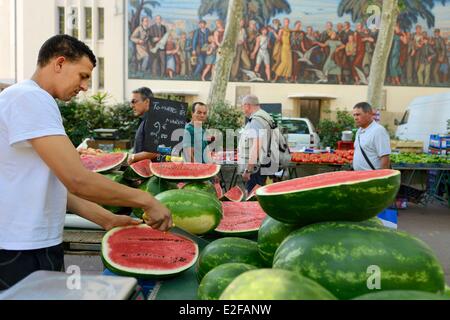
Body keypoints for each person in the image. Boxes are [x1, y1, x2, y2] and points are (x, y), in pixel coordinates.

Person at [0, 35, 172, 290]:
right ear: (59, 63)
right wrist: (146, 200)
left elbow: (56, 187)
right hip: (20, 248)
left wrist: (106, 219)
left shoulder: (27, 99)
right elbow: (77, 179)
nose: (85, 86)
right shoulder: (30, 98)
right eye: (82, 76)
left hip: (31, 243)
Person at [238, 95, 277, 193]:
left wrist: (248, 170)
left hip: (256, 169)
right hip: (265, 164)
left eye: (242, 107)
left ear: (247, 106)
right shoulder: (266, 117)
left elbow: (256, 146)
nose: (243, 110)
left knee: (252, 198)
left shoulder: (256, 120)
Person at [352, 102, 391, 171]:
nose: (355, 118)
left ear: (369, 114)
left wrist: (381, 178)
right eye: (354, 115)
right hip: (359, 176)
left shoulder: (378, 131)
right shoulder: (359, 131)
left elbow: (385, 157)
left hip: (373, 178)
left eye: (358, 115)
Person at [128, 87, 159, 164]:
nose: (131, 106)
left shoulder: (153, 120)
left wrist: (132, 157)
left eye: (134, 101)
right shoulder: (145, 120)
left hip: (150, 172)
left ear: (147, 101)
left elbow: (154, 151)